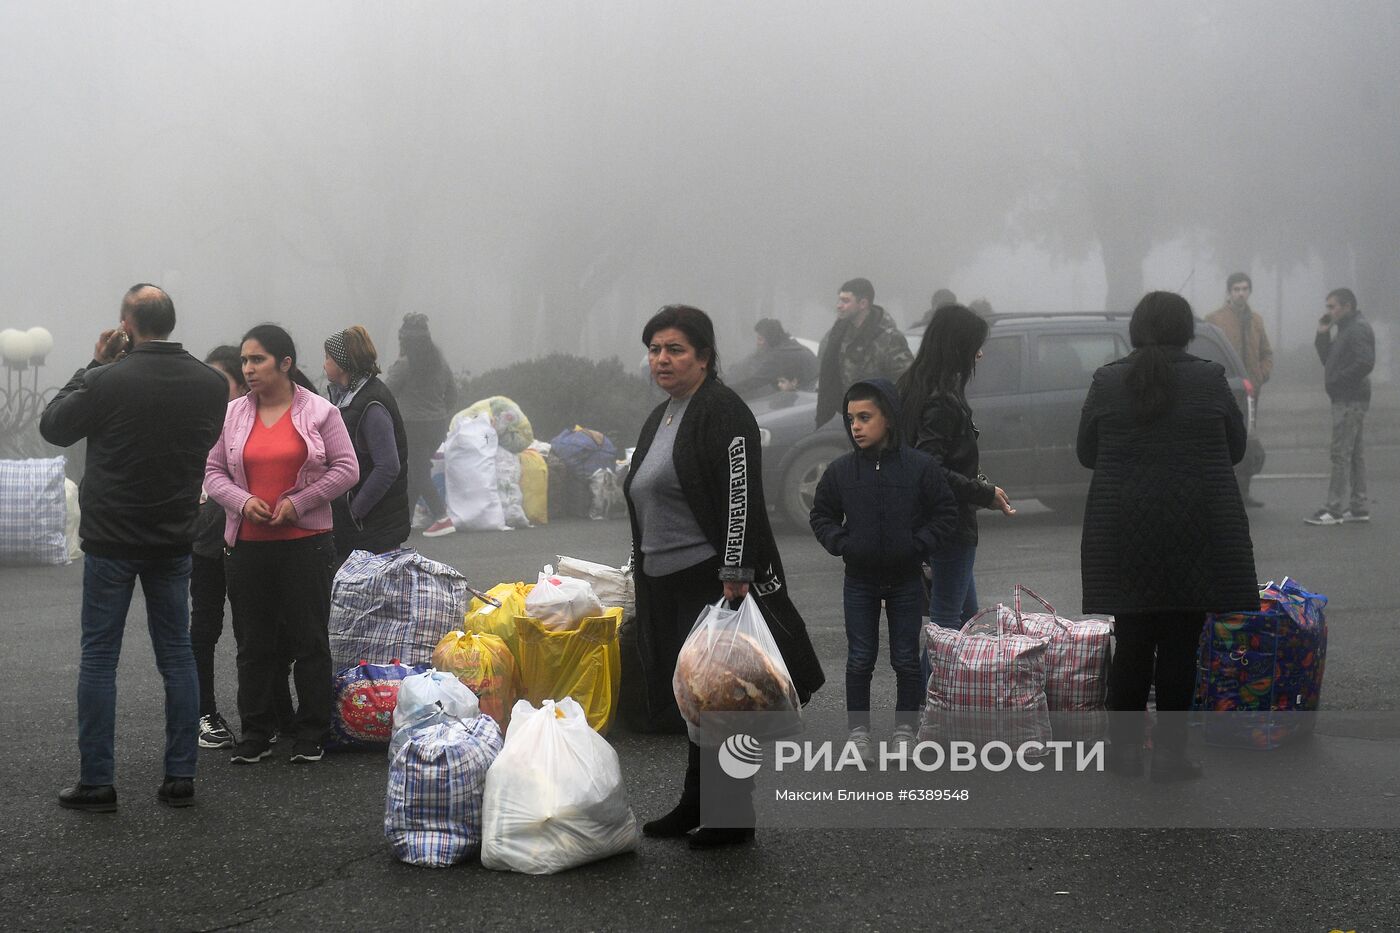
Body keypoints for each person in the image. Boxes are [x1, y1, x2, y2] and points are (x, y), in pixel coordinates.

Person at [623, 304, 824, 849]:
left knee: (723, 698)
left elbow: (741, 494)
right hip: (662, 575)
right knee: (694, 696)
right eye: (655, 349)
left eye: (675, 350)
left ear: (706, 357)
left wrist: (736, 569)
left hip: (709, 578)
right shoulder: (664, 412)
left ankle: (731, 813)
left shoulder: (722, 411)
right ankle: (697, 800)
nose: (661, 360)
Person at [39, 284, 228, 811]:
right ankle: (179, 776)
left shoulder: (108, 379)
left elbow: (54, 427)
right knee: (177, 656)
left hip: (111, 537)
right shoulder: (210, 384)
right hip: (173, 535)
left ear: (127, 323)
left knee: (100, 657)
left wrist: (93, 364)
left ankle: (97, 781)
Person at [1077, 291, 1258, 781]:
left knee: (1132, 640)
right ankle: (1172, 756)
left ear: (1137, 329)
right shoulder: (1209, 378)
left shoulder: (1108, 379)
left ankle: (1124, 753)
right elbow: (1236, 448)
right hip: (1194, 529)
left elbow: (1087, 453)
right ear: (1186, 330)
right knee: (1181, 646)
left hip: (1124, 530)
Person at [204, 324, 359, 766]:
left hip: (305, 545)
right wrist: (243, 500)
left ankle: (311, 731)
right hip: (247, 546)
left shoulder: (320, 412)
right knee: (254, 643)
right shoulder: (233, 413)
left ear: (285, 363)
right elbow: (213, 472)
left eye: (257, 360)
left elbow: (347, 468)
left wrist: (299, 502)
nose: (247, 369)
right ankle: (256, 731)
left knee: (309, 640)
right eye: (245, 361)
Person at [809, 378, 957, 759]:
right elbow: (822, 515)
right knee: (860, 658)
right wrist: (843, 543)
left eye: (865, 417)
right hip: (859, 581)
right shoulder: (841, 471)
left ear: (888, 418)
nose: (856, 426)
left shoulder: (919, 468)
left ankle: (906, 729)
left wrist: (918, 545)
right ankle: (859, 732)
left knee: (906, 659)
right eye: (850, 418)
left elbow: (945, 513)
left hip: (906, 579)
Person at [190, 345, 293, 749]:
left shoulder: (261, 420)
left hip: (255, 541)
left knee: (261, 629)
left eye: (222, 383)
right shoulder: (198, 423)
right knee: (204, 628)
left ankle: (273, 712)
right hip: (207, 542)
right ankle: (203, 712)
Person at [896, 305, 1015, 642]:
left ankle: (956, 695)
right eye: (975, 345)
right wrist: (983, 493)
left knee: (969, 622)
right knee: (948, 624)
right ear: (957, 347)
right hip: (949, 521)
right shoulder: (942, 401)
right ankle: (923, 693)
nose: (979, 354)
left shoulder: (912, 388)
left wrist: (982, 487)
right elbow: (929, 465)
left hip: (927, 518)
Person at [323, 326, 410, 562]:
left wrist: (354, 512)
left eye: (328, 357)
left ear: (342, 362)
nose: (324, 364)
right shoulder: (348, 397)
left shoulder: (371, 402)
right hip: (362, 527)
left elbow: (388, 466)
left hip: (373, 528)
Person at [1305, 288, 1375, 526]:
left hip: (1350, 399)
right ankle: (1358, 507)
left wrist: (1338, 381)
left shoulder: (1357, 329)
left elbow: (1365, 362)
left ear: (1347, 306)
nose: (1328, 311)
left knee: (1341, 454)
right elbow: (1328, 359)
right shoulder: (1346, 329)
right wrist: (1322, 334)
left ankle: (1333, 509)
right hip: (1348, 398)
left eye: (1332, 306)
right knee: (1354, 454)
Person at [382, 313, 457, 536]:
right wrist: (440, 412)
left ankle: (442, 517)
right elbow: (452, 394)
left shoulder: (405, 364)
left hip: (412, 427)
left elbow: (386, 392)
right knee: (417, 471)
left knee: (418, 472)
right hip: (436, 427)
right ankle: (404, 522)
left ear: (404, 340)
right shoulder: (440, 363)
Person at [1206, 272, 1273, 508]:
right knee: (1223, 442)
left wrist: (1261, 375)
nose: (1240, 293)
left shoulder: (1256, 320)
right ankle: (1223, 493)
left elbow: (1266, 353)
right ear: (1229, 292)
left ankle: (1244, 492)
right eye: (1236, 289)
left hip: (1251, 393)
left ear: (1249, 291)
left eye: (1244, 288)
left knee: (1247, 441)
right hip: (1225, 391)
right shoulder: (1214, 319)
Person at [815, 278, 913, 428]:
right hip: (844, 418)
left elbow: (906, 382)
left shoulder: (888, 338)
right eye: (839, 300)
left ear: (863, 304)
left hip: (877, 422)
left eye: (845, 301)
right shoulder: (837, 334)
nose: (839, 306)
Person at [728, 318, 819, 399]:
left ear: (770, 340)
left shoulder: (780, 356)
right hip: (811, 390)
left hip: (802, 398)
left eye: (760, 339)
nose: (757, 343)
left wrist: (724, 391)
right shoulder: (791, 345)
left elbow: (754, 382)